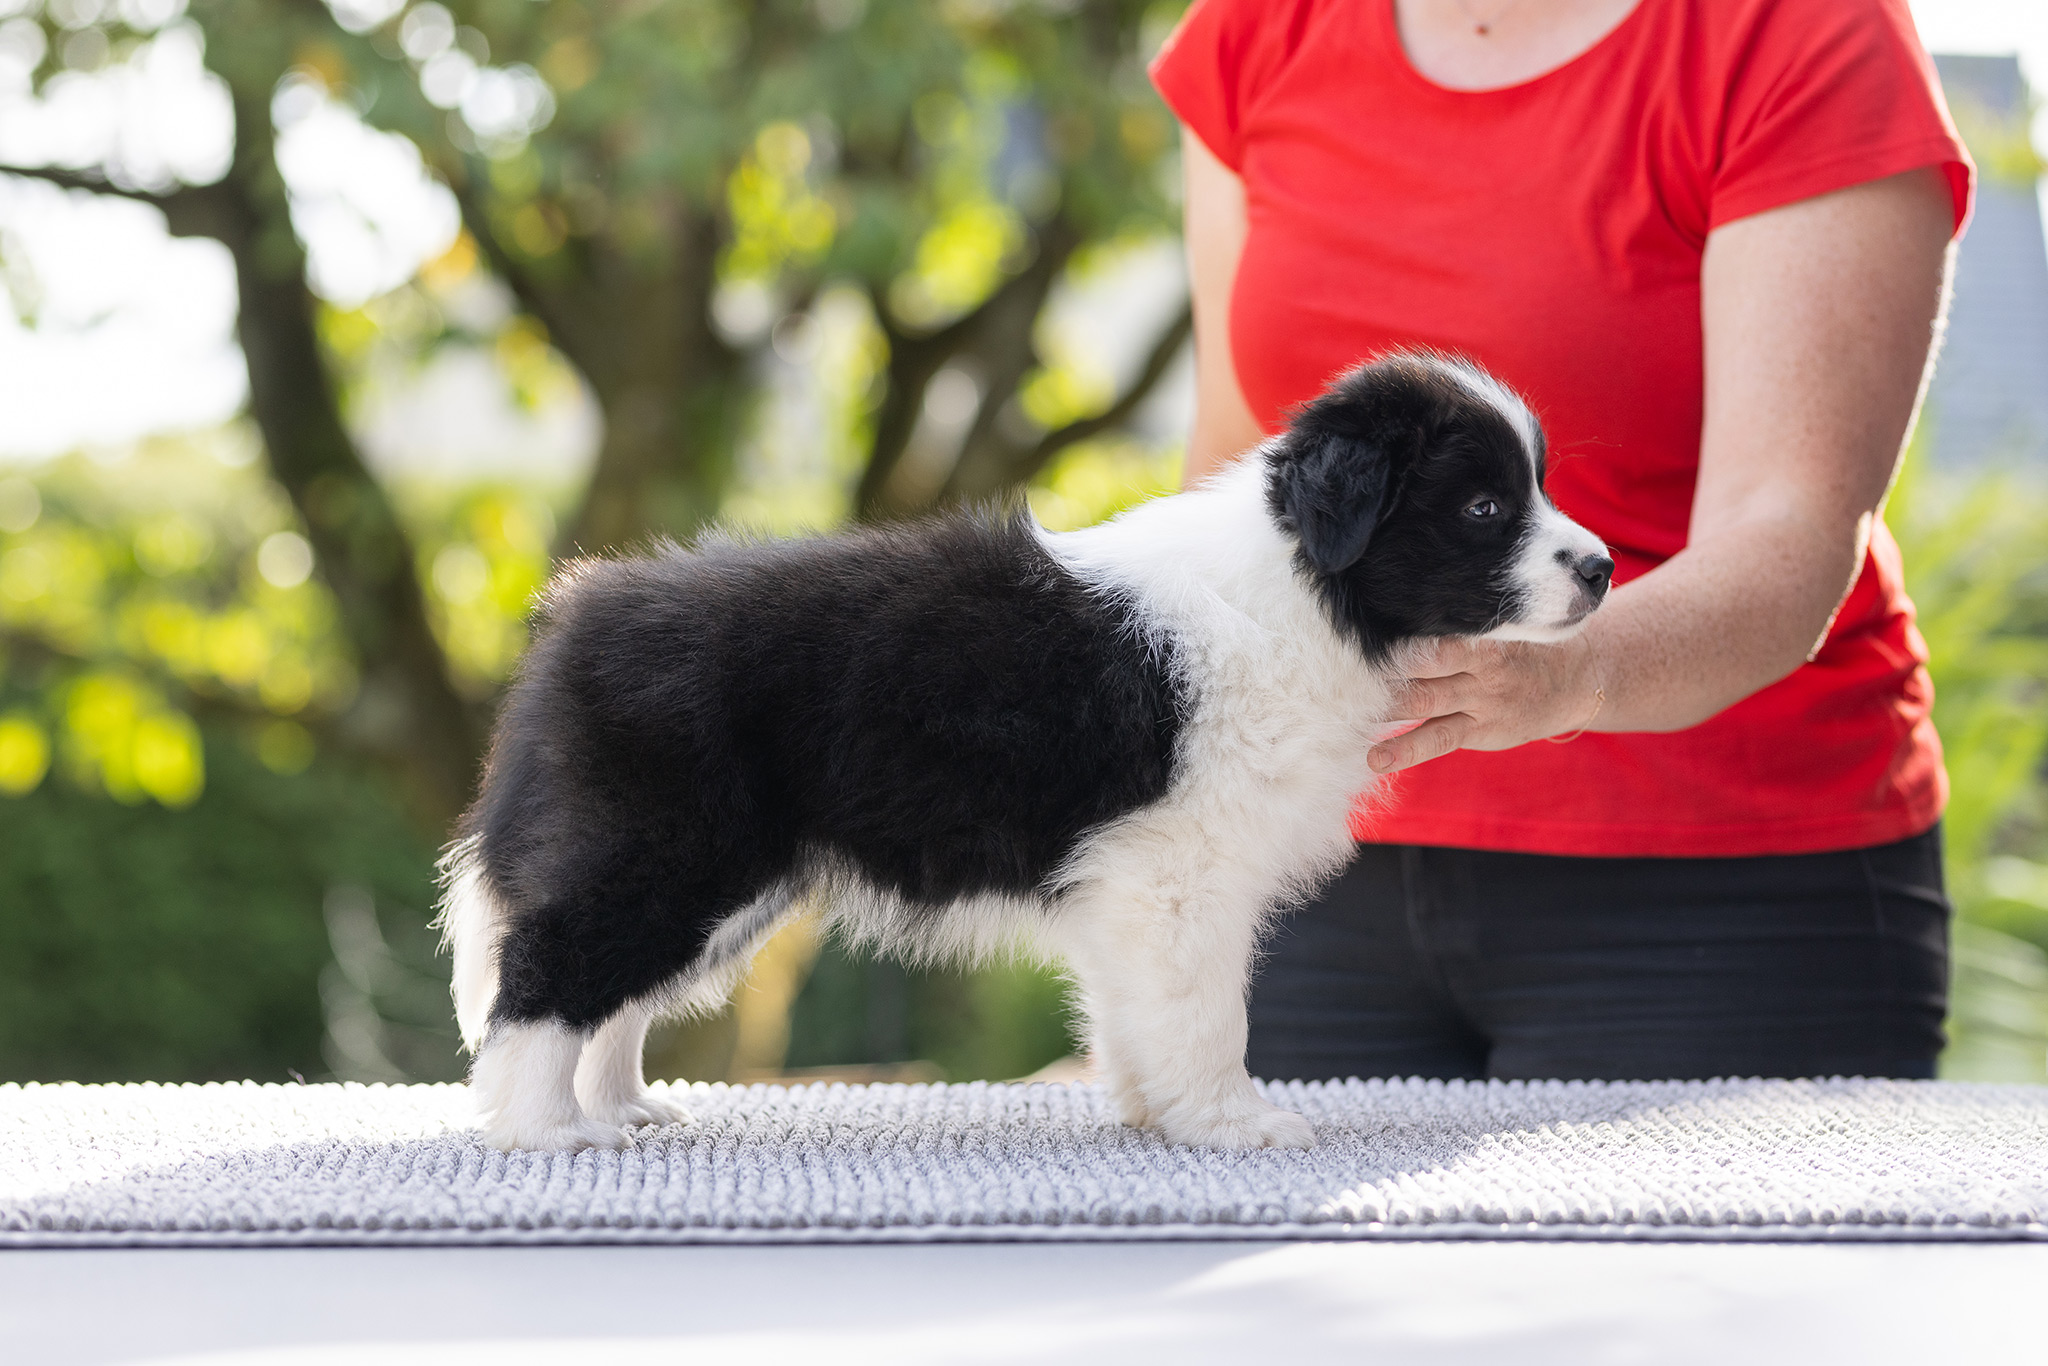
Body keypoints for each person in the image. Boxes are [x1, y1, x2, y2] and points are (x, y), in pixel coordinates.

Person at [1150, 0, 1973, 1082]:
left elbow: (1787, 523)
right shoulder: (1259, 30)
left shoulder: (1799, 31)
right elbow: (1234, 468)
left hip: (1723, 896)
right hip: (1308, 868)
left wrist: (1565, 674)